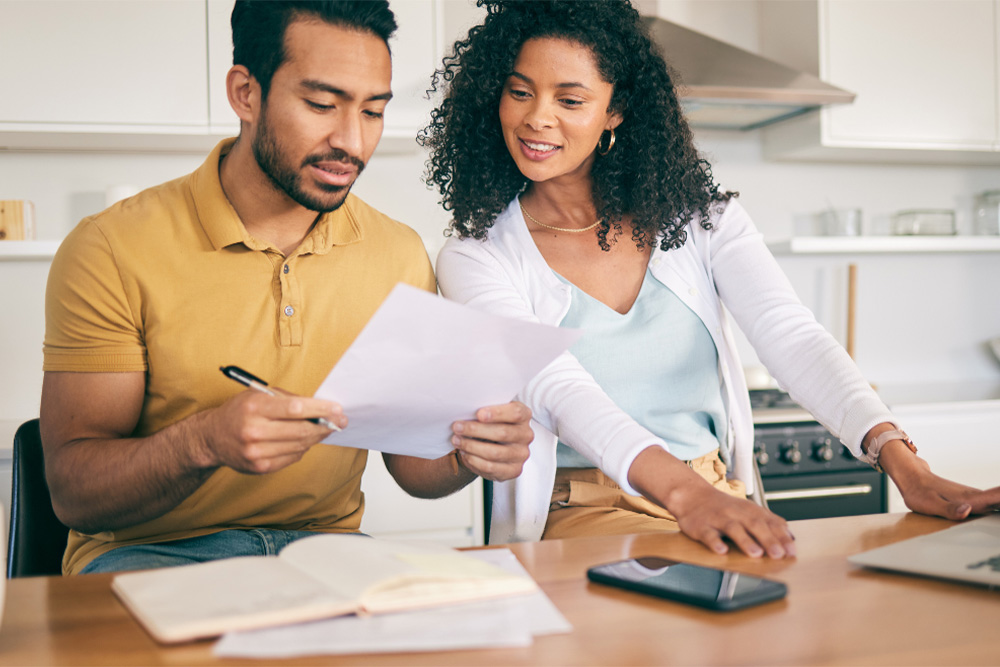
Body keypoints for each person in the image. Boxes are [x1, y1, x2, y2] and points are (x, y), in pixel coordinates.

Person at [422, 0, 1000, 558]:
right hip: (583, 507)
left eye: (569, 99)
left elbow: (792, 336)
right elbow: (559, 390)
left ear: (614, 112)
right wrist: (685, 495)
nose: (535, 117)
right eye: (520, 91)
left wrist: (905, 465)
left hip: (713, 489)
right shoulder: (478, 256)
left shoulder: (701, 219)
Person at [41, 0, 533, 576]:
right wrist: (200, 443)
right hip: (150, 557)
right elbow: (74, 494)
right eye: (322, 104)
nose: (352, 141)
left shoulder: (396, 253)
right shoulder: (112, 247)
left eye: (373, 111)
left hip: (330, 556)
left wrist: (473, 451)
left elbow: (412, 468)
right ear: (245, 94)